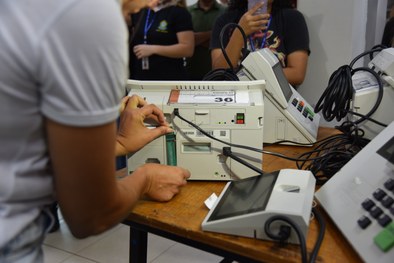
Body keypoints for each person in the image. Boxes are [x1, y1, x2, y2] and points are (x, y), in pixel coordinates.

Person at [0, 0, 191, 262]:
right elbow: (90, 214)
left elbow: (18, 140)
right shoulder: (91, 13)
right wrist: (146, 179)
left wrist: (118, 143)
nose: (153, 3)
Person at [210, 0, 310, 86]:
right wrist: (240, 32)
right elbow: (219, 74)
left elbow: (297, 74)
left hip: (276, 100)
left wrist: (250, 76)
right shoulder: (224, 21)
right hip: (235, 99)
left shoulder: (292, 18)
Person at [128, 0, 194, 80]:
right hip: (140, 77)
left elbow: (187, 49)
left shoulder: (179, 12)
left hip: (168, 77)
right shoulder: (140, 11)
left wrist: (153, 49)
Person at [187, 0, 226, 80]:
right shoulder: (187, 11)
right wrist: (216, 34)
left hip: (218, 73)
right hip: (192, 70)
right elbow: (187, 40)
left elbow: (227, 40)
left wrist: (197, 39)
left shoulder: (225, 11)